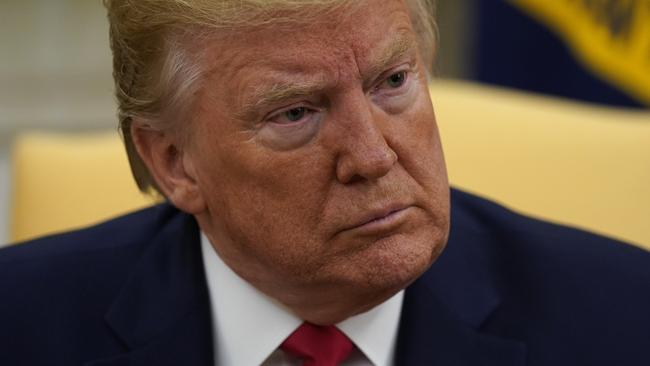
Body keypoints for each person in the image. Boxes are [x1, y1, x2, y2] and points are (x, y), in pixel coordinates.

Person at [1, 0, 649, 365]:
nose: (371, 156)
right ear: (174, 162)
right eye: (294, 113)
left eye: (392, 82)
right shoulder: (22, 326)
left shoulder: (624, 319)